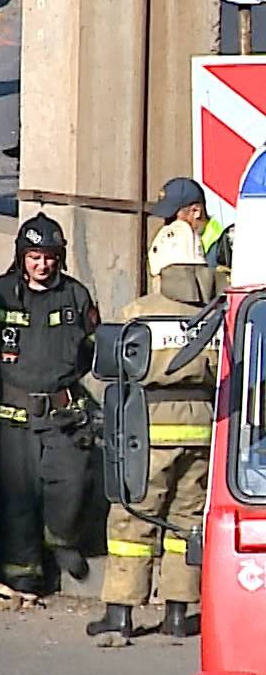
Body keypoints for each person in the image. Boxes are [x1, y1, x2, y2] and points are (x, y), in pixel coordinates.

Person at [90, 220, 218, 639]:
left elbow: (113, 368)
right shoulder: (217, 311)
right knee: (187, 521)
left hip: (148, 433)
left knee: (133, 519)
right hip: (202, 433)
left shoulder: (140, 312)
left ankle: (121, 614)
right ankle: (178, 615)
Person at [0, 213, 100, 593]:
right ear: (21, 256)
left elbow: (91, 351)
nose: (41, 265)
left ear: (58, 257)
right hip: (11, 418)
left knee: (72, 483)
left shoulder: (76, 296)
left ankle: (61, 540)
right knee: (17, 498)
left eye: (48, 257)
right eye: (33, 257)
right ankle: (23, 572)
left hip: (64, 414)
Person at [151, 176, 226, 260]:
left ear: (196, 211)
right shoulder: (173, 246)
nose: (168, 224)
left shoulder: (223, 249)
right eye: (166, 219)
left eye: (173, 218)